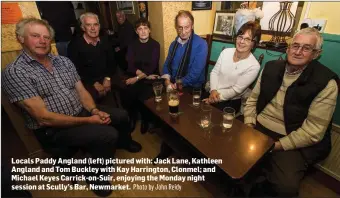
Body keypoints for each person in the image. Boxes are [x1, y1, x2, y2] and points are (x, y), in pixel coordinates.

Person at [2, 18, 141, 197]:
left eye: (46, 36)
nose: (42, 41)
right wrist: (90, 120)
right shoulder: (15, 72)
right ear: (20, 38)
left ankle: (124, 142)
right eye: (35, 36)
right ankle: (95, 174)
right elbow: (43, 117)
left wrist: (94, 110)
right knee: (107, 134)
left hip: (82, 112)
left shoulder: (62, 62)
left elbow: (82, 91)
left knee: (121, 115)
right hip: (53, 129)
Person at [243, 27, 339, 197]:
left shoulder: (326, 82)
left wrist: (275, 146)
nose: (298, 51)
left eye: (306, 48)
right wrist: (249, 123)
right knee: (230, 154)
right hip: (258, 126)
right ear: (288, 48)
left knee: (284, 187)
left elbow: (313, 131)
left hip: (291, 136)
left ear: (316, 54)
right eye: (295, 46)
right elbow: (252, 100)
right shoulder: (270, 67)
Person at [203, 21, 261, 113]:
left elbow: (236, 90)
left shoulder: (254, 66)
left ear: (254, 43)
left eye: (247, 39)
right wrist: (213, 90)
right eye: (240, 37)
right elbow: (214, 72)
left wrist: (213, 99)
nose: (241, 41)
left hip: (229, 102)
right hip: (212, 92)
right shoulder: (226, 52)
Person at [119, 18, 160, 131]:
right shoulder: (132, 45)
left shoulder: (155, 45)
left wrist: (136, 78)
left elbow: (152, 67)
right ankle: (132, 117)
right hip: (142, 75)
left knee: (145, 93)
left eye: (145, 28)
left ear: (149, 30)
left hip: (150, 78)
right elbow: (130, 66)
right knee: (127, 92)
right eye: (140, 29)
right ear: (136, 31)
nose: (143, 31)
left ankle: (145, 120)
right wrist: (142, 75)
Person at [68, 12, 116, 102]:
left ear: (99, 26)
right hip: (87, 81)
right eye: (88, 25)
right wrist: (93, 83)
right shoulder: (74, 45)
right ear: (83, 27)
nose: (93, 28)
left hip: (106, 77)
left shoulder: (105, 41)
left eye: (95, 24)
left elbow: (112, 62)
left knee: (126, 90)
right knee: (95, 99)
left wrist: (108, 78)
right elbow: (75, 70)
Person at [162, 10, 208, 90]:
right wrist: (167, 80)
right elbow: (166, 65)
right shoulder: (173, 44)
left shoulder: (201, 44)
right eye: (180, 27)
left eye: (187, 27)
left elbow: (195, 74)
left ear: (192, 26)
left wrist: (177, 85)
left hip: (192, 88)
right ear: (176, 27)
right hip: (172, 84)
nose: (183, 32)